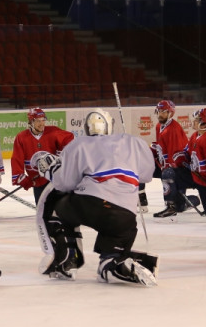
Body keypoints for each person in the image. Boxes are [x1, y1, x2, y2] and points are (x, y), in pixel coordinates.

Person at [36, 109, 158, 286]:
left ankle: (67, 261)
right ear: (110, 126)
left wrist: (49, 171)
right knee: (115, 239)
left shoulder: (79, 144)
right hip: (125, 216)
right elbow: (146, 175)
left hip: (91, 204)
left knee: (54, 205)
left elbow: (65, 183)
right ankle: (112, 264)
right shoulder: (134, 142)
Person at [156, 108, 206, 222]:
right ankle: (173, 206)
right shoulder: (195, 135)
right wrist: (181, 156)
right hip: (194, 175)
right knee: (168, 174)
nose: (193, 121)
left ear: (204, 124)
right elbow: (187, 151)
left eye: (197, 120)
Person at [11, 107, 74, 204]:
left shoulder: (53, 132)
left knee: (59, 207)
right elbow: (17, 159)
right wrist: (21, 177)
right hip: (37, 180)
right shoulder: (22, 137)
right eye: (38, 121)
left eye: (43, 120)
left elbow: (69, 138)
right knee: (41, 211)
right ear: (31, 122)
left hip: (54, 177)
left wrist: (60, 155)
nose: (42, 124)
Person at [146, 99, 188, 215]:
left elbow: (177, 153)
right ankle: (141, 198)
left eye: (164, 112)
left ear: (171, 113)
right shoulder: (159, 126)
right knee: (140, 166)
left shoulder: (173, 129)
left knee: (168, 175)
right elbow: (161, 145)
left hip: (178, 167)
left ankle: (174, 206)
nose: (160, 114)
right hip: (164, 163)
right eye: (159, 111)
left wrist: (167, 168)